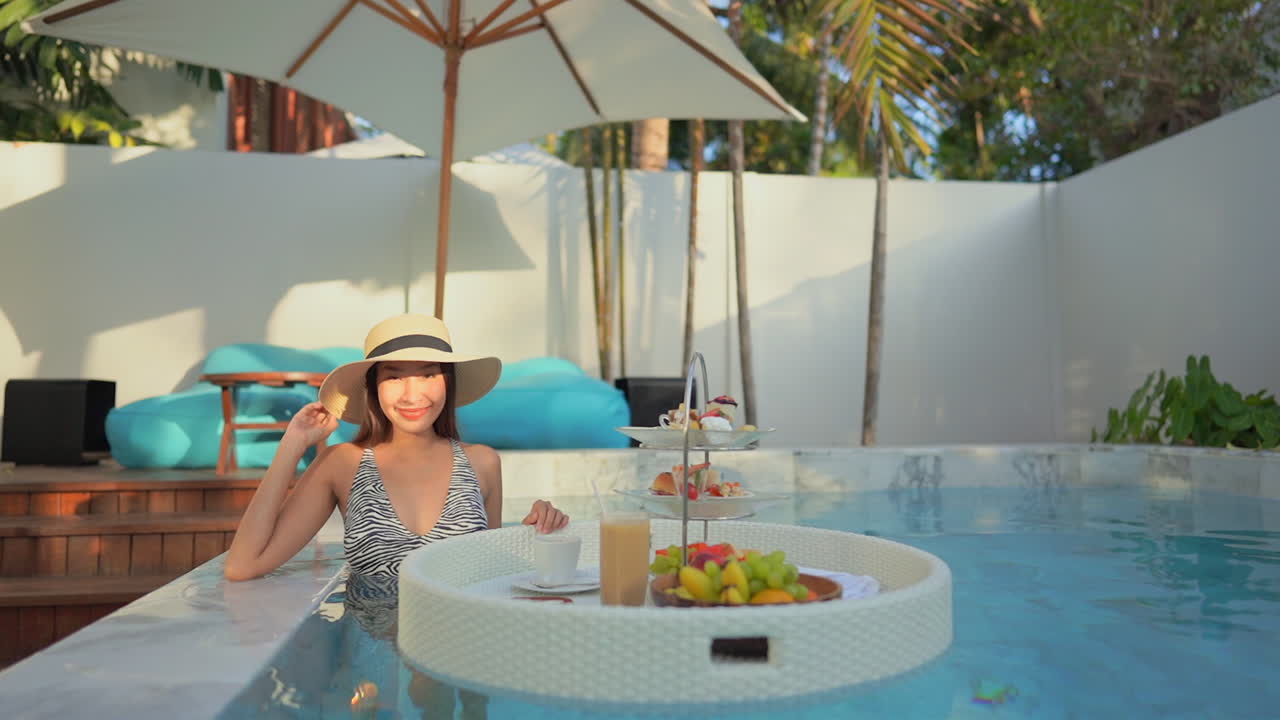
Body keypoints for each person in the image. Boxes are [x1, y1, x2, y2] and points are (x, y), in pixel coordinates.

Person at [224, 314, 569, 581]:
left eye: (428, 374)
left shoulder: (482, 462)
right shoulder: (343, 463)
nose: (411, 394)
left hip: (460, 648)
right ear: (373, 387)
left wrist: (535, 531)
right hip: (372, 658)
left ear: (447, 381)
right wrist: (292, 444)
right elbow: (242, 566)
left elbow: (489, 577)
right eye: (394, 376)